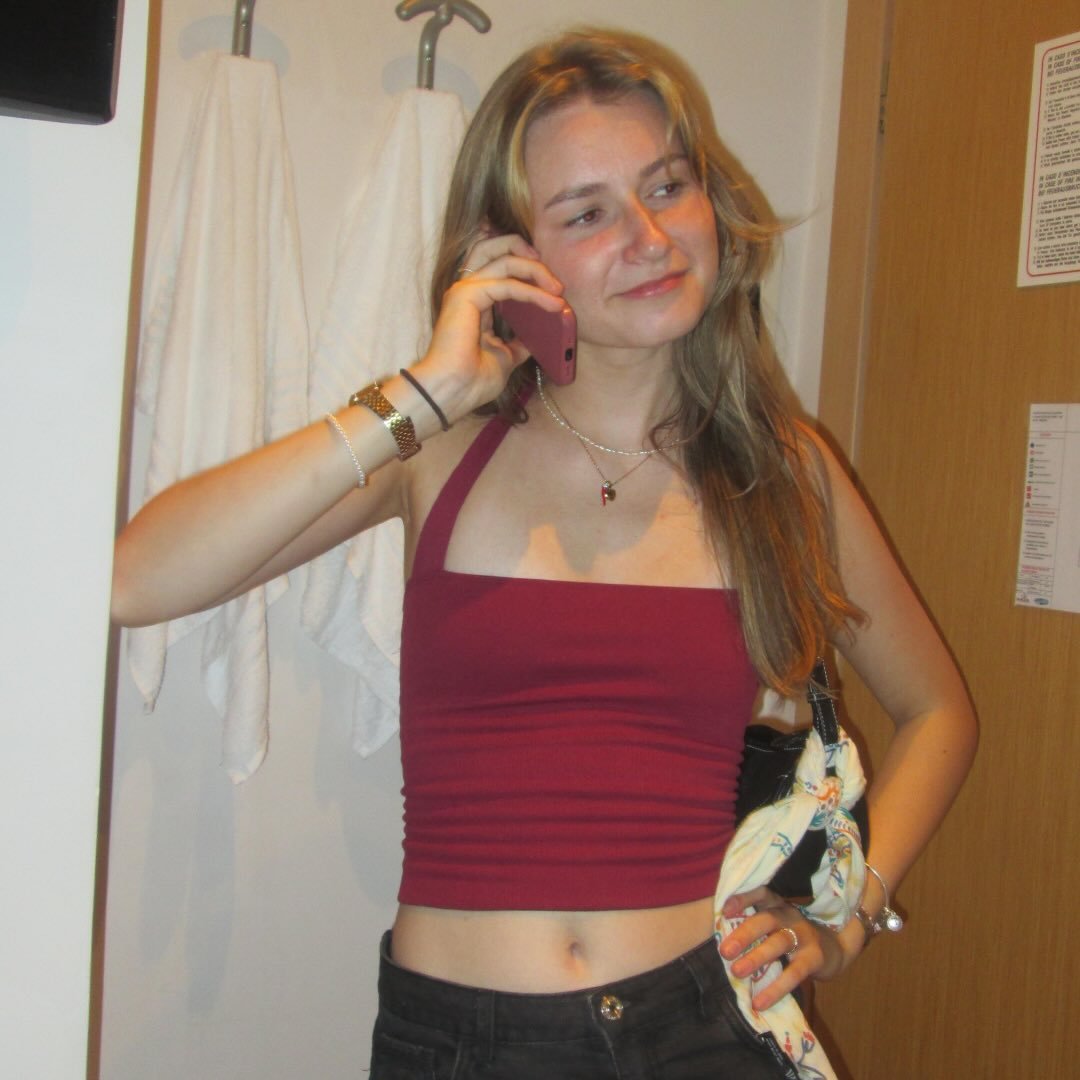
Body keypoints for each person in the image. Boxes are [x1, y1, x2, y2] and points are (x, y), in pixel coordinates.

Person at [112, 27, 977, 1079]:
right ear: (512, 256)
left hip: (704, 1026)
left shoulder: (780, 470)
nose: (649, 237)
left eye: (667, 186)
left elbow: (939, 711)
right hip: (465, 1043)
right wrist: (424, 391)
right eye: (587, 212)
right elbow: (136, 578)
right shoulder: (438, 451)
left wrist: (845, 916)